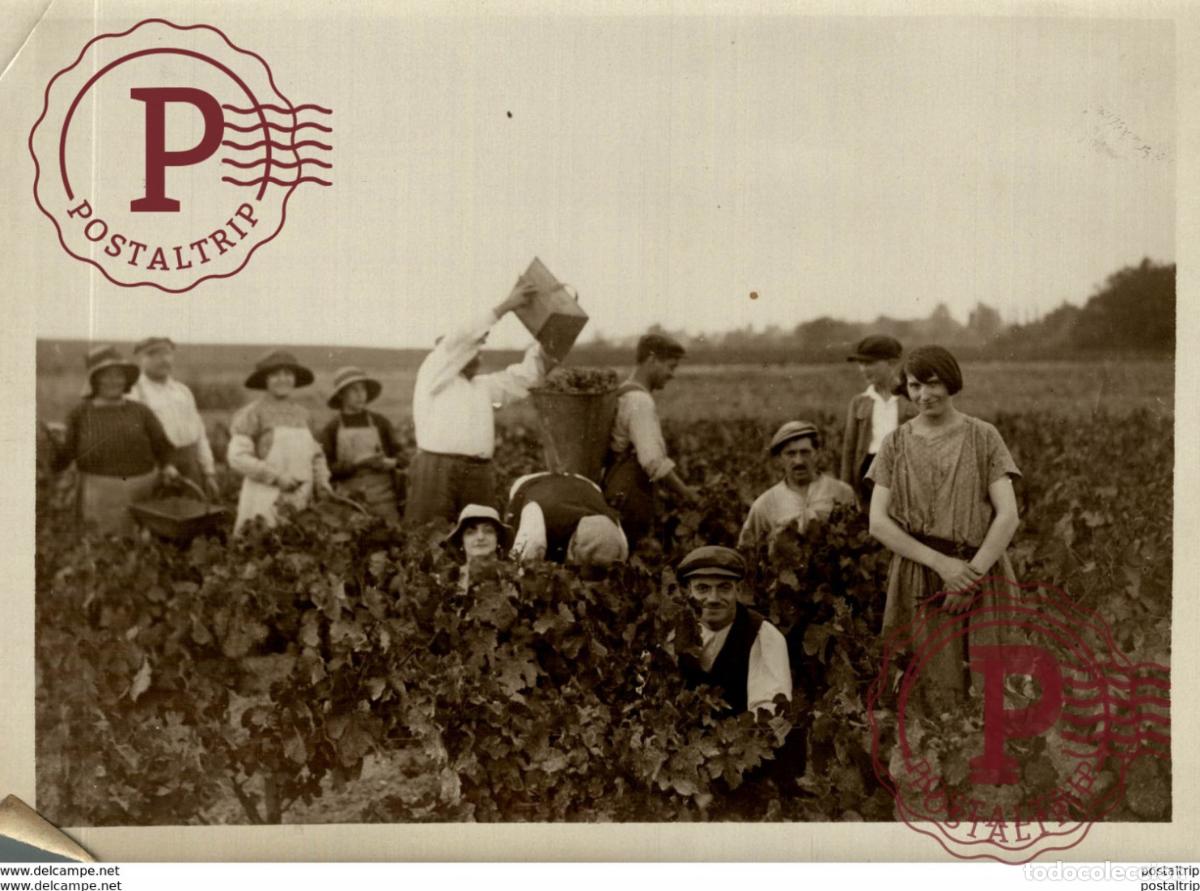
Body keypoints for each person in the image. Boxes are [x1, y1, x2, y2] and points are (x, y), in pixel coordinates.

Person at [866, 345, 1022, 713]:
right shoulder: (894, 444)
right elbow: (877, 522)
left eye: (932, 383)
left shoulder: (984, 437)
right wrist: (942, 566)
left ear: (951, 383)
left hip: (982, 575)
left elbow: (1008, 515)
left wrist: (969, 576)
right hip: (920, 578)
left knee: (991, 692)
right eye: (915, 385)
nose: (923, 395)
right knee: (929, 695)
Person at [406, 279, 550, 525]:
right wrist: (504, 307)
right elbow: (460, 339)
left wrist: (548, 339)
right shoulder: (434, 372)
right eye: (472, 349)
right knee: (428, 539)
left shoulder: (482, 387)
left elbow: (526, 377)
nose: (477, 355)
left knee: (481, 535)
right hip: (437, 470)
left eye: (479, 351)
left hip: (478, 472)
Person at [53, 345, 180, 535]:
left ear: (126, 380)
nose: (114, 381)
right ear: (94, 380)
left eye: (119, 375)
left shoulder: (140, 411)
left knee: (139, 548)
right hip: (98, 495)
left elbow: (163, 445)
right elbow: (65, 455)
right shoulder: (79, 414)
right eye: (107, 375)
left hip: (142, 493)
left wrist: (169, 466)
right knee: (102, 549)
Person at [602, 333, 698, 547]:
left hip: (614, 487)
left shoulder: (622, 392)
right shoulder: (640, 401)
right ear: (652, 360)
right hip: (630, 496)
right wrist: (685, 492)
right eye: (670, 367)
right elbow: (652, 461)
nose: (672, 375)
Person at [676, 546, 792, 714]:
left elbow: (768, 715)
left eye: (724, 588)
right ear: (687, 592)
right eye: (703, 588)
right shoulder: (670, 633)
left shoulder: (763, 636)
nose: (713, 598)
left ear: (738, 590)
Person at [228, 350, 332, 534]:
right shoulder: (252, 413)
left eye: (288, 374)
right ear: (265, 380)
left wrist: (322, 481)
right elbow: (237, 457)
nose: (282, 379)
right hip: (263, 497)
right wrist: (276, 476)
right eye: (275, 374)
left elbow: (316, 454)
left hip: (301, 498)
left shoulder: (304, 415)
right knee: (260, 547)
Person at [738, 421, 856, 554]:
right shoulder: (764, 504)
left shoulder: (842, 492)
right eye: (790, 454)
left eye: (805, 452)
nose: (799, 461)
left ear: (817, 453)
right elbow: (746, 551)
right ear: (779, 459)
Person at [128, 336, 221, 499]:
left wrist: (209, 472)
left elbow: (199, 435)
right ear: (141, 359)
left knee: (194, 516)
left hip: (190, 466)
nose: (163, 360)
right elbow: (132, 442)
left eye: (167, 354)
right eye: (154, 355)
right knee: (158, 518)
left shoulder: (182, 391)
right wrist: (162, 466)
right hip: (155, 469)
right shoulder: (133, 393)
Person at [841, 335, 917, 504]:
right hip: (867, 471)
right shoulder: (859, 403)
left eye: (870, 363)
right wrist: (846, 490)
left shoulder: (911, 399)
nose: (863, 369)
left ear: (891, 363)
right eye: (860, 364)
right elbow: (849, 449)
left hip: (903, 471)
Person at [320, 366, 402, 522]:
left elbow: (403, 457)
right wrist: (355, 464)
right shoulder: (332, 429)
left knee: (392, 537)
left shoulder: (380, 422)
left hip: (384, 499)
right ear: (341, 395)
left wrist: (390, 463)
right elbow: (326, 469)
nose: (360, 395)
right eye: (353, 390)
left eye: (363, 389)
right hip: (350, 501)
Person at [506, 471, 628, 566]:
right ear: (572, 545)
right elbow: (521, 566)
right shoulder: (536, 517)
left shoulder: (616, 533)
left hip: (587, 487)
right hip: (534, 484)